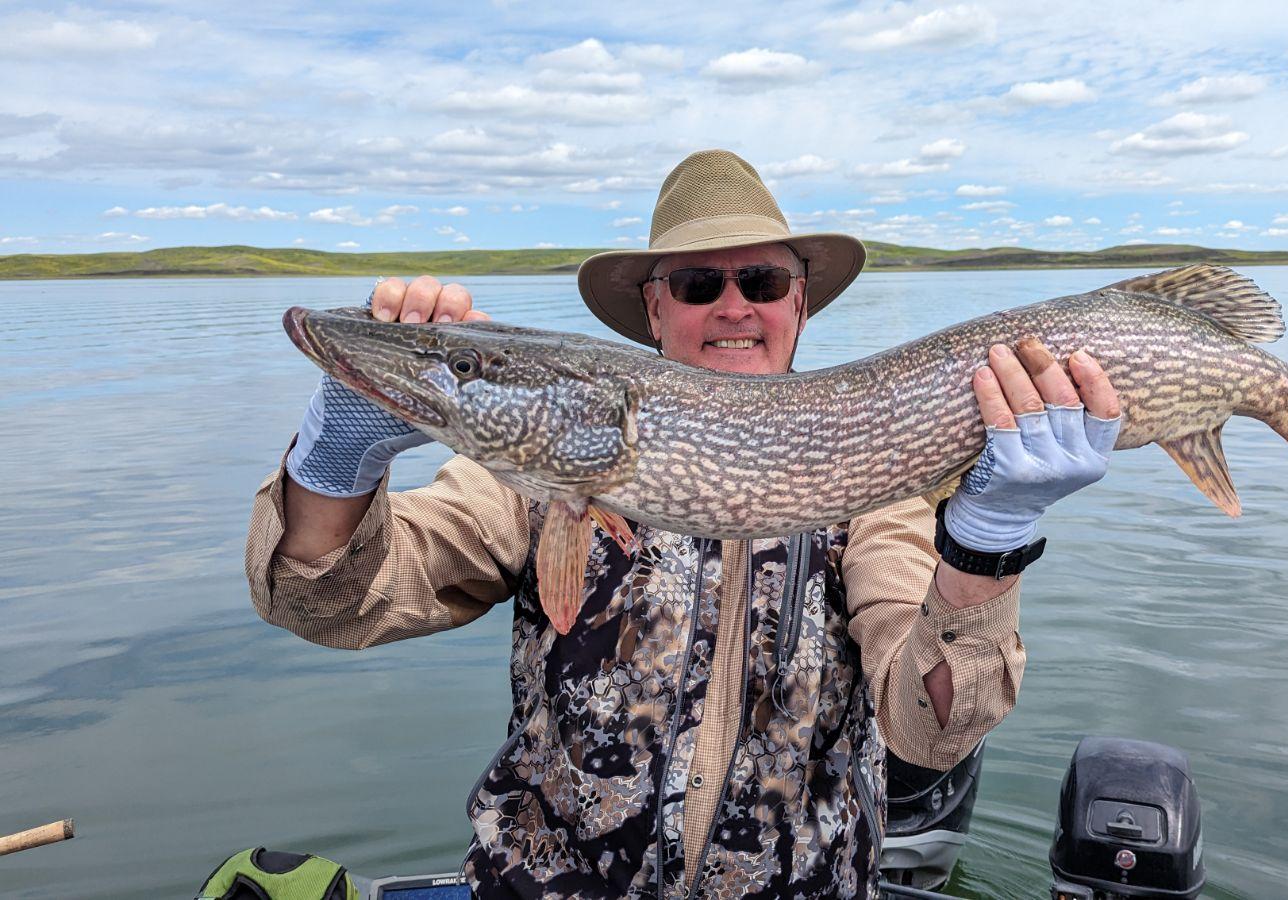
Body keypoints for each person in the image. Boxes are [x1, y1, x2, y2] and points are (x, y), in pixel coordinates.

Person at [245, 149, 1121, 899]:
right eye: (699, 284)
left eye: (763, 282)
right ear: (655, 311)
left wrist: (987, 544)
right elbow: (328, 603)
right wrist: (335, 462)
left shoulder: (876, 495)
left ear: (799, 306)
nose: (734, 306)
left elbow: (931, 730)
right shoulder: (527, 481)